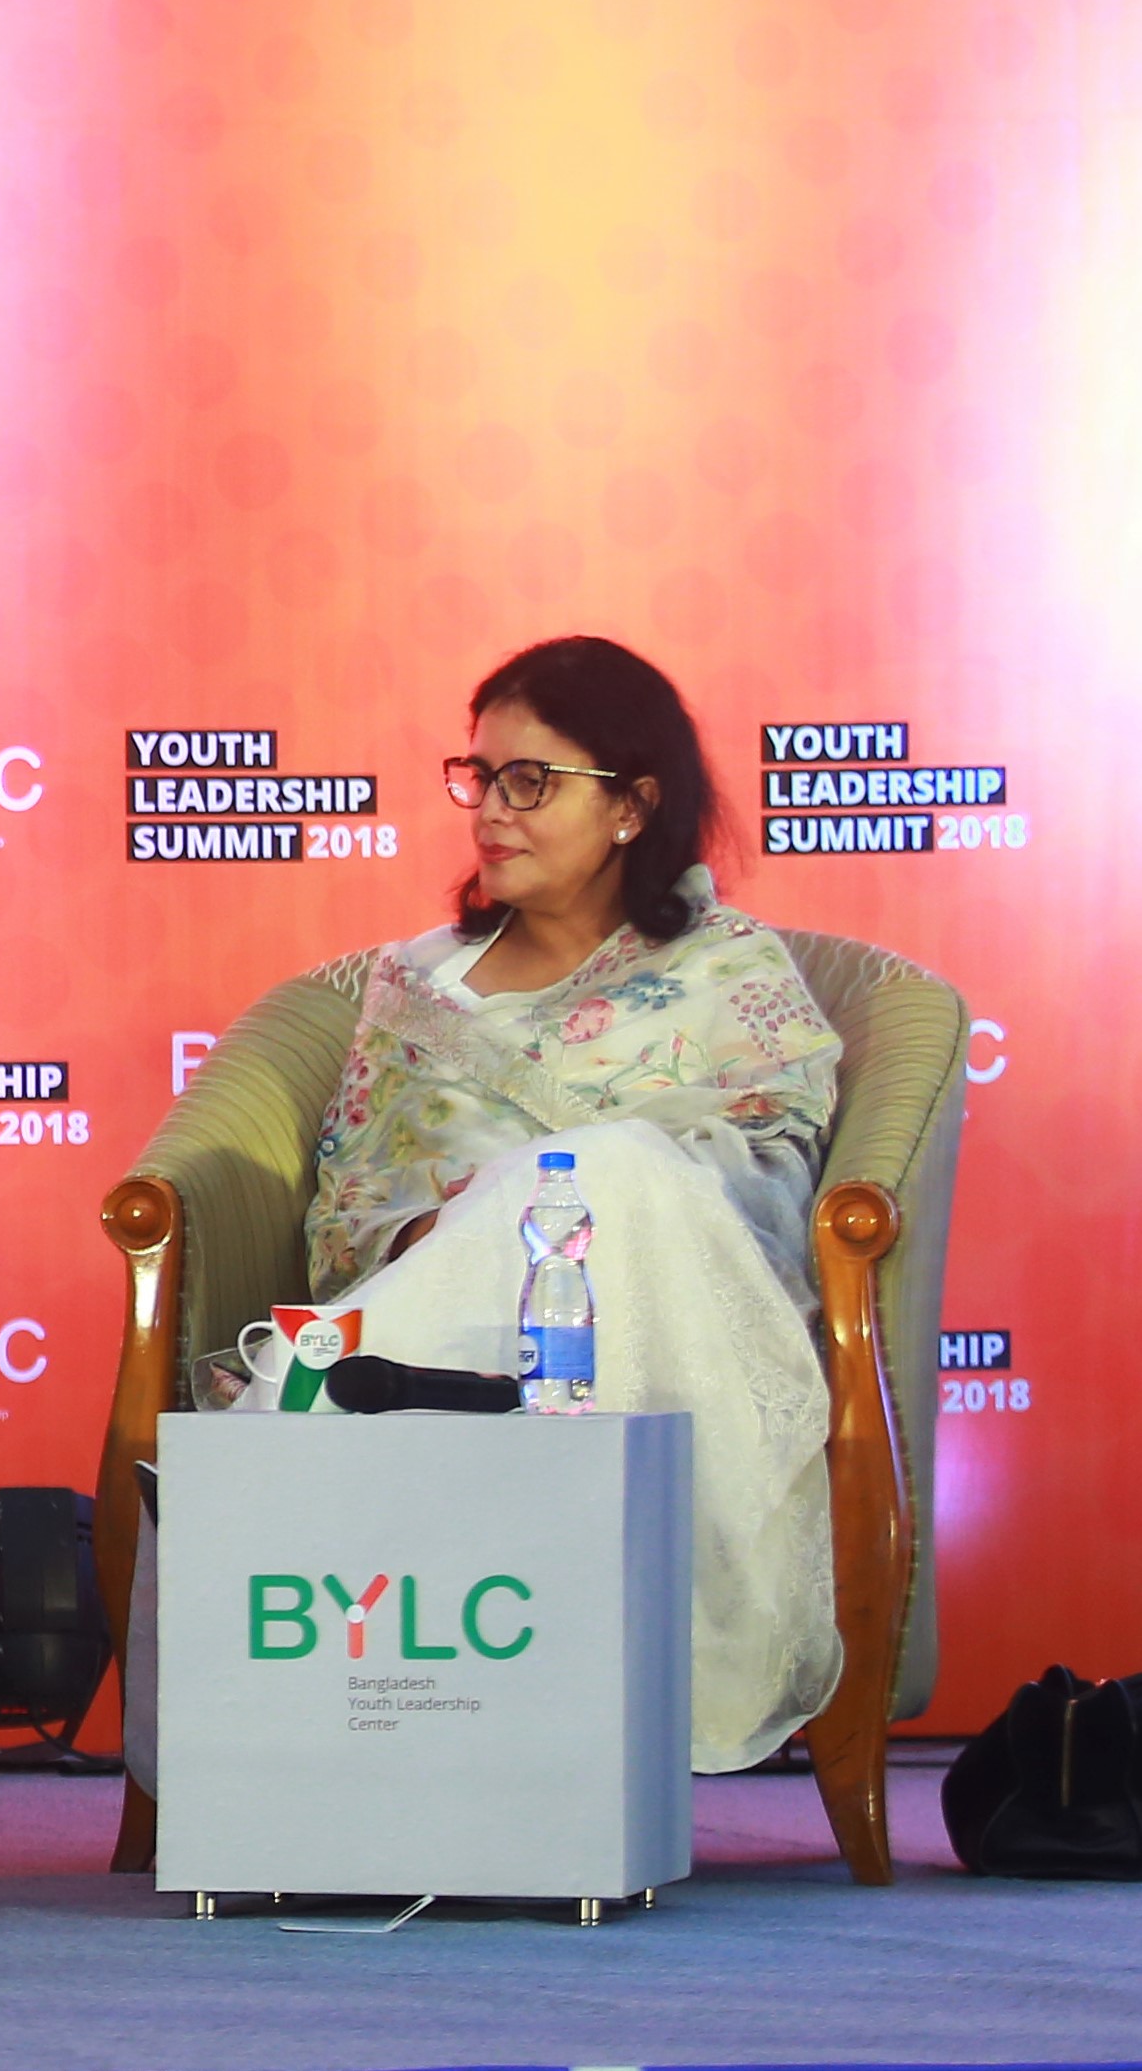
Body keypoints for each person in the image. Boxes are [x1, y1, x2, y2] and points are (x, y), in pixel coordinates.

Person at [294, 634, 845, 1769]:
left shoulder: (726, 969)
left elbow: (772, 1176)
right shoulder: (415, 985)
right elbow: (347, 1211)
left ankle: (619, 1661)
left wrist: (581, 1189)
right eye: (479, 776)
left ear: (631, 805)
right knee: (559, 1192)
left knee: (609, 1176)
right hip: (438, 1334)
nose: (491, 810)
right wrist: (478, 1224)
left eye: (530, 780)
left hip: (658, 1321)